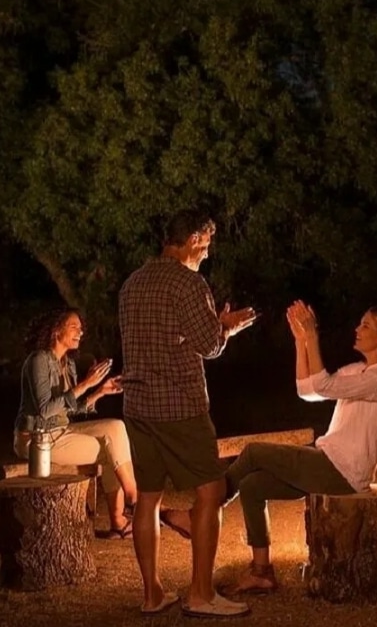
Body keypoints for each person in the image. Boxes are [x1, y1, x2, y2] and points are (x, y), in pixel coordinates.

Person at [160, 300, 377, 594]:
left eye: (366, 325)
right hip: (326, 463)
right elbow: (308, 390)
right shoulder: (359, 370)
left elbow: (322, 385)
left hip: (341, 472)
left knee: (253, 452)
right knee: (253, 486)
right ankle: (261, 572)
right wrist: (300, 341)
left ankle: (198, 515)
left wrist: (312, 337)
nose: (358, 329)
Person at [118, 209, 257, 617]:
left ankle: (152, 595)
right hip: (179, 404)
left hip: (138, 406)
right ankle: (201, 595)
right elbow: (208, 344)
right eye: (206, 244)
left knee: (148, 498)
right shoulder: (189, 282)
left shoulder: (132, 282)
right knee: (211, 491)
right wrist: (225, 326)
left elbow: (159, 337)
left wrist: (213, 325)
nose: (207, 253)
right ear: (193, 238)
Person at [14, 307, 136, 537]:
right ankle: (129, 510)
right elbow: (45, 410)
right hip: (36, 440)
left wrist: (99, 392)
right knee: (111, 449)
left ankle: (131, 503)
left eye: (81, 328)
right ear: (56, 330)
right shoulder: (38, 360)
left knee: (116, 427)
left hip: (61, 431)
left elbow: (70, 408)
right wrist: (86, 384)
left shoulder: (67, 363)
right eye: (74, 327)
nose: (80, 332)